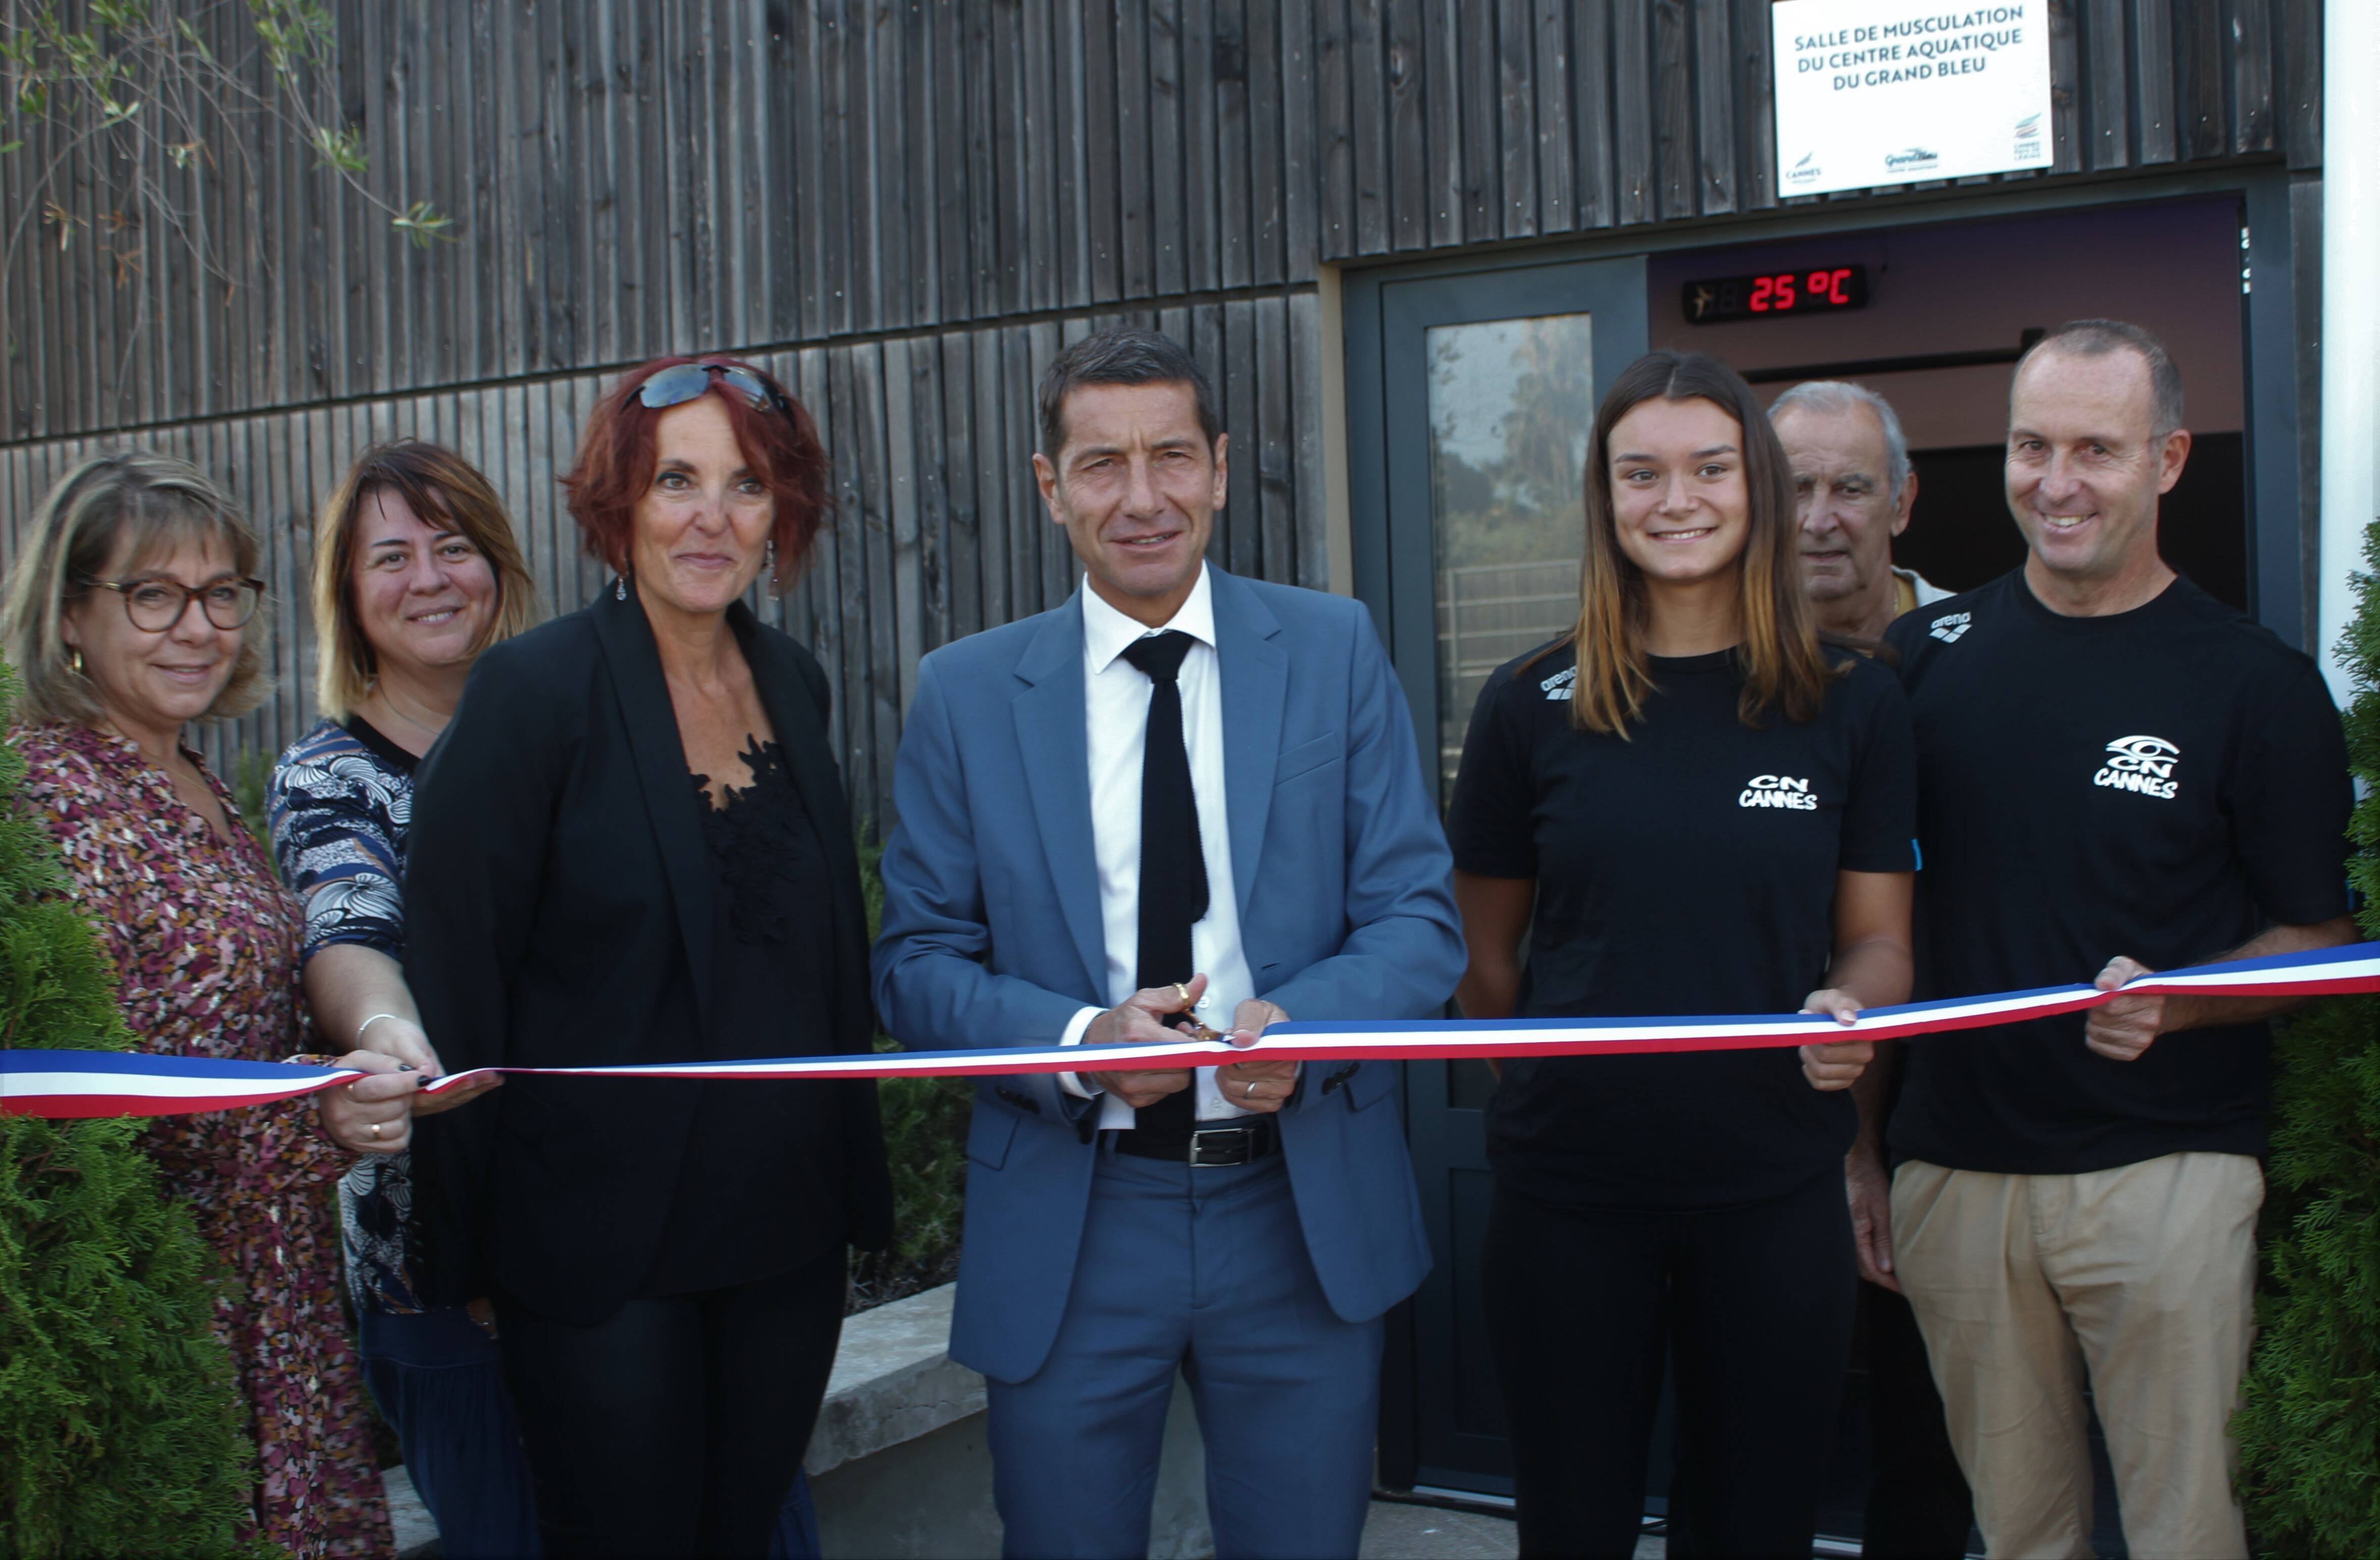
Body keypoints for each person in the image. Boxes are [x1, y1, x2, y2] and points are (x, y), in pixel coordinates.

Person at [871, 327, 1464, 1559]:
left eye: (1171, 457)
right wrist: (1082, 1042)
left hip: (1295, 1211)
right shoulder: (968, 694)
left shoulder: (1332, 648)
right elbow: (916, 962)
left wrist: (1305, 1027)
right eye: (1101, 465)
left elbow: (1417, 915)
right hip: (1076, 1216)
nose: (1142, 498)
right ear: (1050, 486)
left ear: (1222, 468)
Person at [1877, 319, 2355, 1560]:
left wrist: (2183, 999)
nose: (2057, 482)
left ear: (2171, 460)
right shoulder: (1921, 663)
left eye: (2098, 448)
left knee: (2187, 1531)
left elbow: (2321, 937)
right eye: (2032, 446)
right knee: (2019, 1536)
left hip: (2165, 1177)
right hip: (1959, 1177)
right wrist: (1864, 1162)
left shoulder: (2254, 682)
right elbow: (1870, 930)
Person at [403, 356, 895, 1558]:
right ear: (620, 501)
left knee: (740, 1536)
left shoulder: (796, 683)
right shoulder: (534, 690)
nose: (712, 519)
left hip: (786, 1237)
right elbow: (457, 975)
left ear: (785, 512)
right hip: (599, 1249)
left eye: (749, 486)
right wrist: (463, 1252)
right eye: (678, 480)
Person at [1446, 349, 1915, 1559]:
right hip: (1568, 1201)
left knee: (1756, 1532)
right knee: (1574, 1528)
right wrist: (1564, 1086)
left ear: (1755, 485)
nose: (1678, 500)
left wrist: (1845, 1008)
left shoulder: (1852, 701)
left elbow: (1878, 943)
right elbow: (1483, 964)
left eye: (1710, 468)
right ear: (1605, 502)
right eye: (1640, 474)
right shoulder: (1526, 704)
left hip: (1773, 1197)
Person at [0, 453, 393, 1558]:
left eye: (222, 593)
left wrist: (368, 1049)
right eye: (154, 594)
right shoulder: (53, 800)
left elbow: (235, 1015)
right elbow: (89, 1110)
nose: (197, 626)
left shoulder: (195, 776)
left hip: (280, 1295)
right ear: (72, 609)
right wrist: (318, 1116)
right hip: (159, 1316)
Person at [266, 440, 540, 1557]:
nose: (429, 578)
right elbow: (346, 923)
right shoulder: (330, 776)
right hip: (441, 1274)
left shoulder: (575, 739)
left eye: (454, 545)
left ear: (500, 567)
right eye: (391, 556)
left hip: (621, 1236)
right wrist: (388, 1029)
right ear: (349, 594)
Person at [1772, 379, 1976, 1557]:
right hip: (1769, 1122)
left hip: (1949, 1126)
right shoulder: (1713, 667)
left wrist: (1881, 1142)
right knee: (1758, 1429)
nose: (1820, 516)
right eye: (1794, 486)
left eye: (1852, 486)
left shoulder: (1977, 655)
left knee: (1926, 1440)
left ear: (1901, 499)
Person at [1772, 379, 1951, 641]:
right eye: (1796, 491)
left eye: (1850, 490)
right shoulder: (1723, 659)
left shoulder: (1976, 643)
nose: (1819, 523)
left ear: (1901, 503)